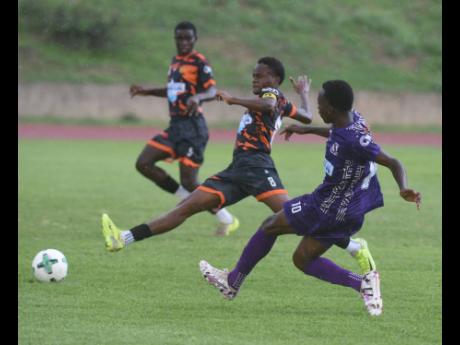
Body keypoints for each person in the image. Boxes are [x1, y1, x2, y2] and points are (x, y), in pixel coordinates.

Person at [199, 79, 421, 316]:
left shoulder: (355, 140)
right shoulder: (352, 119)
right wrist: (307, 129)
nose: (318, 109)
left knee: (270, 226)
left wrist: (403, 187)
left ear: (333, 108)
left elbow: (392, 161)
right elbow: (337, 132)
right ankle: (363, 283)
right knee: (303, 259)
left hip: (327, 206)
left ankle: (232, 282)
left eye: (320, 104)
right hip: (351, 210)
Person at [101, 56, 314, 253]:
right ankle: (122, 238)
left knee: (294, 217)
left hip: (257, 167)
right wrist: (303, 93)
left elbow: (268, 105)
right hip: (237, 171)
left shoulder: (272, 94)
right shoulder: (283, 102)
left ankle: (348, 245)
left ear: (275, 79)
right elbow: (306, 116)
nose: (255, 80)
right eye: (254, 76)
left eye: (260, 76)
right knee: (185, 207)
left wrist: (233, 100)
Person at [129, 21, 238, 236]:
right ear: (175, 39)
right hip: (175, 127)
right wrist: (146, 91)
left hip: (193, 129)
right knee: (143, 163)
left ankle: (227, 219)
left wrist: (197, 97)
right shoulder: (175, 62)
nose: (184, 42)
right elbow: (173, 90)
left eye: (188, 38)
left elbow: (212, 90)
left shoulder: (199, 62)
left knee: (190, 180)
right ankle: (184, 197)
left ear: (195, 39)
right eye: (180, 38)